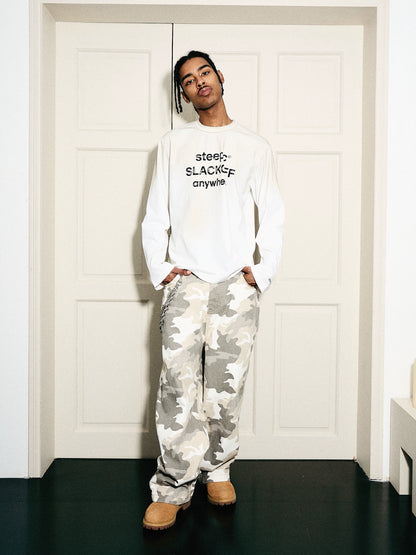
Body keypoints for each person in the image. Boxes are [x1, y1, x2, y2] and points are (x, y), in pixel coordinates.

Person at [141, 50, 284, 531]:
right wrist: (162, 268)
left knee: (226, 384)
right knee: (177, 385)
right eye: (188, 79)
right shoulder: (173, 144)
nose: (198, 82)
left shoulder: (254, 146)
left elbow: (273, 214)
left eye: (204, 73)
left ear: (220, 77)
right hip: (186, 282)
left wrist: (261, 272)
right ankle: (173, 486)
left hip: (235, 283)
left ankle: (218, 470)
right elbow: (155, 213)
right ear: (183, 94)